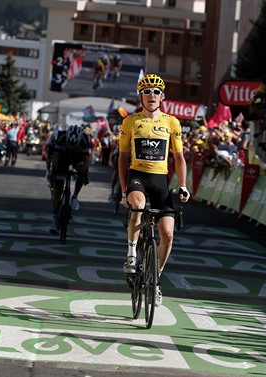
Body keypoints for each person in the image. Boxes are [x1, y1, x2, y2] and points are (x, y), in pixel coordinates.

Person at [118, 73, 190, 307]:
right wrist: (123, 189)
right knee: (138, 205)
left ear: (162, 96)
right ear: (140, 96)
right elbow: (122, 157)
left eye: (156, 92)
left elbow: (179, 157)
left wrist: (182, 185)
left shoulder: (172, 122)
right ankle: (131, 253)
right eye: (146, 92)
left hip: (160, 181)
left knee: (168, 234)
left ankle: (155, 280)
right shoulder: (130, 121)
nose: (151, 95)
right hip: (137, 176)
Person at [49, 124, 92, 233]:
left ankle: (75, 196)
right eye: (70, 144)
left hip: (77, 157)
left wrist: (85, 173)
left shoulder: (84, 139)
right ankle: (54, 218)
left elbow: (87, 159)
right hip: (63, 157)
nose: (71, 146)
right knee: (59, 186)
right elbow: (56, 156)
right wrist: (54, 171)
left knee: (82, 173)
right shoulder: (61, 137)